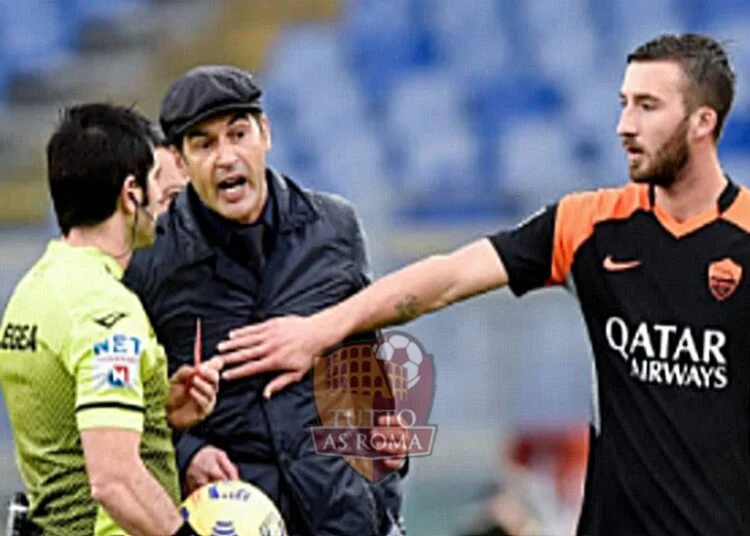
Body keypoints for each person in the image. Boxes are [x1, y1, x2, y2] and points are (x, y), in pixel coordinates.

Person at [216, 33, 750, 536]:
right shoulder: (588, 225)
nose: (624, 125)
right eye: (623, 102)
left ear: (703, 121)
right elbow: (448, 277)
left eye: (647, 106)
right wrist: (321, 330)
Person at [122, 65, 407, 536]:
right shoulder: (150, 258)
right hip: (232, 516)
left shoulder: (334, 227)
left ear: (265, 134)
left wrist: (386, 449)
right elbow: (127, 404)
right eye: (204, 144)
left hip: (345, 514)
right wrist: (185, 452)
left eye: (238, 133)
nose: (227, 157)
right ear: (179, 160)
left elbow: (363, 362)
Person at [0, 103, 222, 536]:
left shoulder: (33, 291)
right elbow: (114, 480)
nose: (163, 198)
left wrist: (159, 407)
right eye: (155, 180)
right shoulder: (106, 312)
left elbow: (72, 426)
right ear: (130, 193)